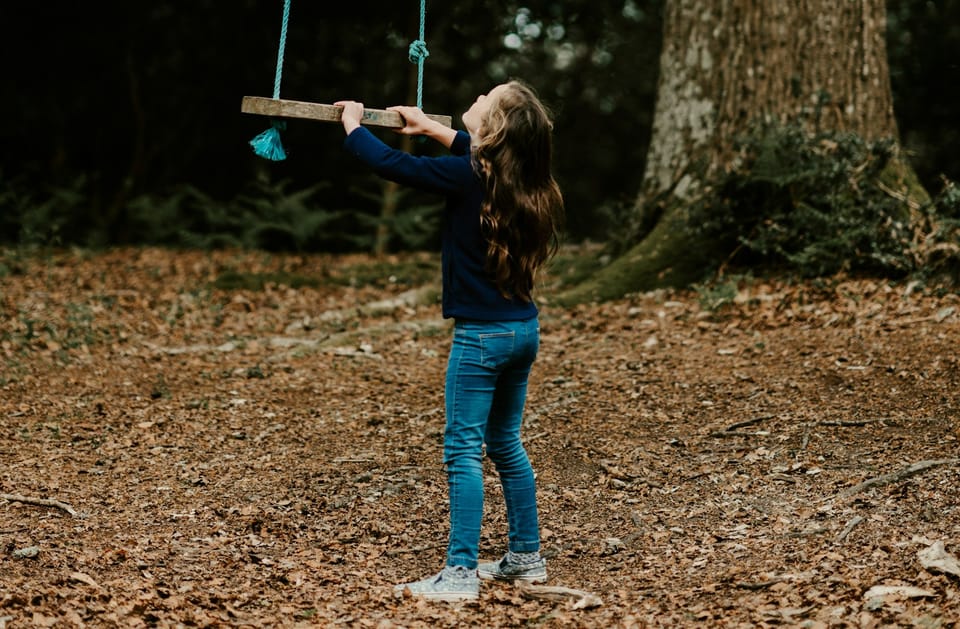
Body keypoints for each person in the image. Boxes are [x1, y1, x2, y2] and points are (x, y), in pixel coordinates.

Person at [335, 79, 564, 602]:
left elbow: (396, 166)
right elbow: (478, 161)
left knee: (462, 449)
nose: (478, 97)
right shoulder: (529, 183)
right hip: (522, 331)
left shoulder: (468, 178)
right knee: (505, 442)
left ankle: (459, 573)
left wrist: (353, 124)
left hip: (480, 340)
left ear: (494, 129)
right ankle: (526, 557)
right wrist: (433, 127)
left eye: (488, 99)